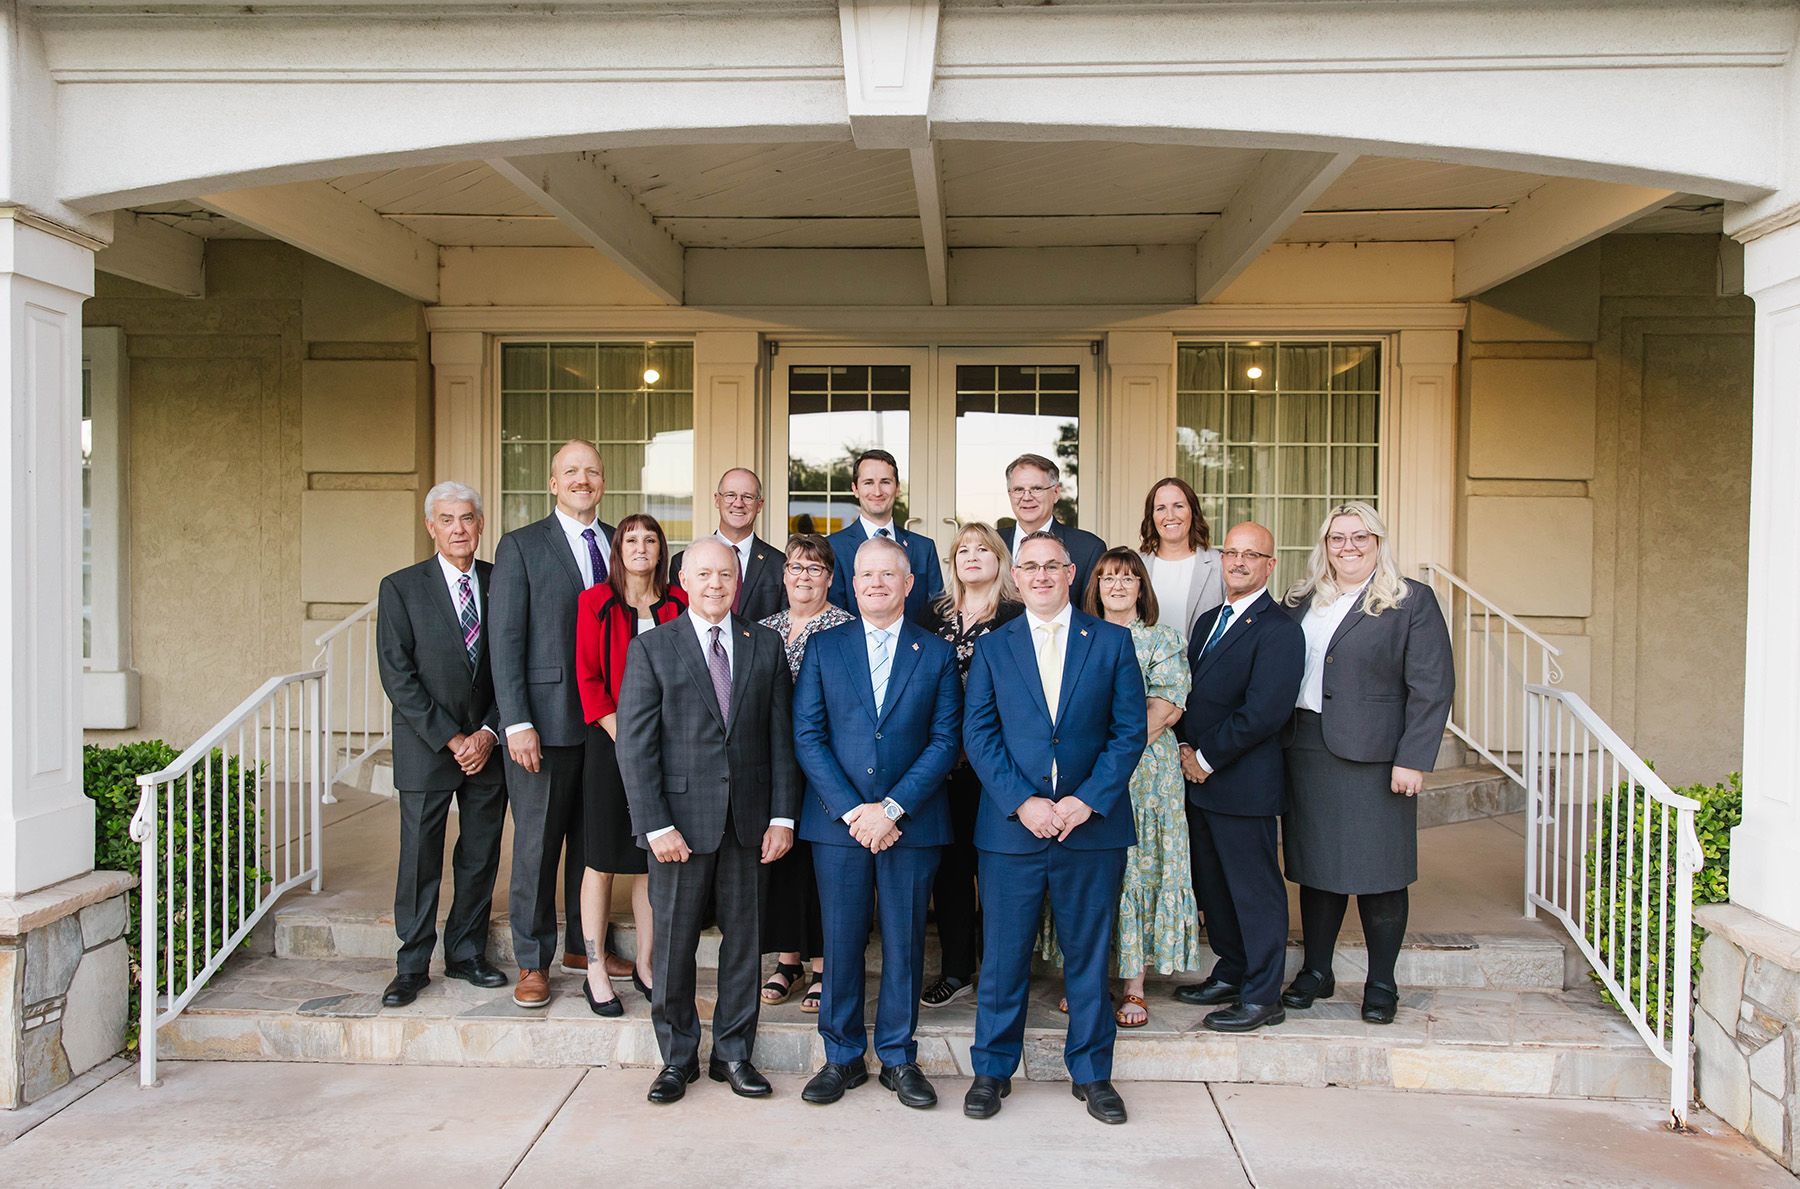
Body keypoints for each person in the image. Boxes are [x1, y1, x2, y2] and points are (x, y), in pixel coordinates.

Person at [960, 531, 1147, 1126]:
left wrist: (1086, 802)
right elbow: (979, 736)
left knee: (1088, 958)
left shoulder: (1112, 642)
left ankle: (1092, 1074)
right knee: (1004, 957)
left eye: (1052, 566)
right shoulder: (994, 647)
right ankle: (992, 1070)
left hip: (1091, 829)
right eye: (1029, 567)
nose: (1040, 576)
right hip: (1012, 830)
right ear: (1015, 576)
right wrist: (1025, 802)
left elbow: (1128, 733)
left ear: (1072, 573)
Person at [615, 538, 800, 1104]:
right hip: (677, 828)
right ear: (683, 582)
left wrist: (782, 816)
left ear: (737, 581)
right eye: (704, 574)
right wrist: (654, 824)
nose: (716, 583)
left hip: (748, 823)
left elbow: (780, 739)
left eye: (726, 574)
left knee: (744, 944)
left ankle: (732, 1054)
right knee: (672, 945)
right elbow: (636, 746)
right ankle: (676, 1059)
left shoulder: (764, 644)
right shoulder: (654, 647)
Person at [793, 537, 961, 1109]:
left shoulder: (934, 653)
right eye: (866, 575)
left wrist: (890, 809)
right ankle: (840, 1058)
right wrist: (853, 810)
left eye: (888, 575)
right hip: (838, 825)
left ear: (909, 583)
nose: (876, 584)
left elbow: (945, 741)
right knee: (839, 943)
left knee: (906, 942)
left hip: (910, 824)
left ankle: (897, 1056)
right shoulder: (823, 647)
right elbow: (808, 736)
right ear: (852, 583)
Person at [1278, 502, 1453, 1026]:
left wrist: (1413, 758)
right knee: (1317, 872)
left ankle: (1381, 982)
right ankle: (1316, 971)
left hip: (1377, 758)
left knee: (1381, 874)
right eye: (1337, 538)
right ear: (1324, 545)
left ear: (1378, 543)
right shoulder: (1302, 599)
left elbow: (1432, 686)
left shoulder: (1410, 601)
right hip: (1306, 749)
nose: (1348, 547)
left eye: (1360, 537)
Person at [1039, 548, 1199, 1029]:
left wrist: (1109, 749)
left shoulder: (1163, 639)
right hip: (1085, 775)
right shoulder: (1075, 638)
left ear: (1141, 587)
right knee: (1084, 874)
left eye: (1128, 577)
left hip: (1147, 780)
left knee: (1140, 870)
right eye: (1107, 577)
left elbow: (1163, 709)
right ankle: (1083, 979)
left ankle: (1134, 985)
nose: (1116, 585)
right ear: (1093, 585)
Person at [372, 482, 510, 1008]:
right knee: (420, 858)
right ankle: (411, 965)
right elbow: (398, 674)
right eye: (447, 519)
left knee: (479, 855)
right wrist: (453, 738)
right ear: (431, 526)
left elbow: (514, 667)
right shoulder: (401, 588)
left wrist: (489, 732)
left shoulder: (503, 582)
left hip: (488, 745)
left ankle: (466, 953)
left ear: (480, 523)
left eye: (468, 518)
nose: (459, 528)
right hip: (428, 747)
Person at [489, 439, 613, 1006]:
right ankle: (533, 960)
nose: (582, 479)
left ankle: (584, 947)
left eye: (591, 471)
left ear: (602, 481)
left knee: (594, 843)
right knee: (537, 845)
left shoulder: (617, 542)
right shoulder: (520, 546)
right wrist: (516, 721)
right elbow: (506, 639)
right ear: (552, 482)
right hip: (545, 720)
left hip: (605, 723)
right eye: (571, 471)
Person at [1171, 523, 1305, 1033]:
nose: (1240, 562)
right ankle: (1229, 970)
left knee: (1253, 890)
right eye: (1232, 552)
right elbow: (1192, 695)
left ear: (1271, 566)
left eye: (1253, 555)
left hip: (1242, 782)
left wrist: (1204, 757)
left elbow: (1264, 712)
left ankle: (1263, 994)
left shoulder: (1279, 629)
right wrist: (1185, 749)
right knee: (1214, 885)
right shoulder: (1207, 621)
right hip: (1199, 779)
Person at [572, 513, 687, 1016]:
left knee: (649, 858)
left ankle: (645, 962)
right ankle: (595, 967)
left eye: (651, 539)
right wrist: (625, 736)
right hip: (608, 742)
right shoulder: (594, 602)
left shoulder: (679, 603)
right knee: (600, 859)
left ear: (662, 550)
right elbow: (588, 677)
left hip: (667, 748)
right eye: (631, 539)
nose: (641, 547)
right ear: (617, 549)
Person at [913, 523, 1023, 1009]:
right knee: (951, 870)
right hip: (941, 765)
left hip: (1000, 765)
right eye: (963, 550)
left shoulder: (1016, 618)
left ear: (1000, 559)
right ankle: (957, 969)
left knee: (998, 871)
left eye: (982, 548)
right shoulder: (930, 616)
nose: (972, 556)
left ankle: (1000, 972)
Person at [756, 533, 854, 1013]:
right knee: (781, 866)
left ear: (830, 578)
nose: (803, 577)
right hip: (774, 766)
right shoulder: (763, 629)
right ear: (784, 574)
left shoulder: (845, 628)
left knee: (820, 867)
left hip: (826, 767)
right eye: (795, 567)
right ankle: (787, 959)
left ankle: (822, 966)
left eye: (814, 569)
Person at [825, 448, 945, 619]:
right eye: (868, 482)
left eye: (885, 482)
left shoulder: (924, 548)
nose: (877, 492)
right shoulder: (833, 547)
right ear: (855, 489)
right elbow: (834, 613)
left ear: (897, 488)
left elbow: (937, 612)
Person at [671, 467, 787, 624]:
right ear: (717, 500)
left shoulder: (779, 564)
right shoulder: (683, 561)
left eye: (747, 497)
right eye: (730, 495)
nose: (738, 504)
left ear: (759, 505)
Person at [998, 453, 1106, 600]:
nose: (1027, 497)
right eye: (1018, 490)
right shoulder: (991, 545)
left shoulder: (1088, 549)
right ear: (1010, 494)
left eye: (1036, 489)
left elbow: (1091, 613)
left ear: (1055, 493)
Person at [1137, 476, 1224, 644]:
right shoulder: (1137, 566)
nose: (1170, 516)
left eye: (1178, 506)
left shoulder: (1218, 564)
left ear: (1193, 511)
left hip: (1202, 668)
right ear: (1151, 516)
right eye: (1161, 508)